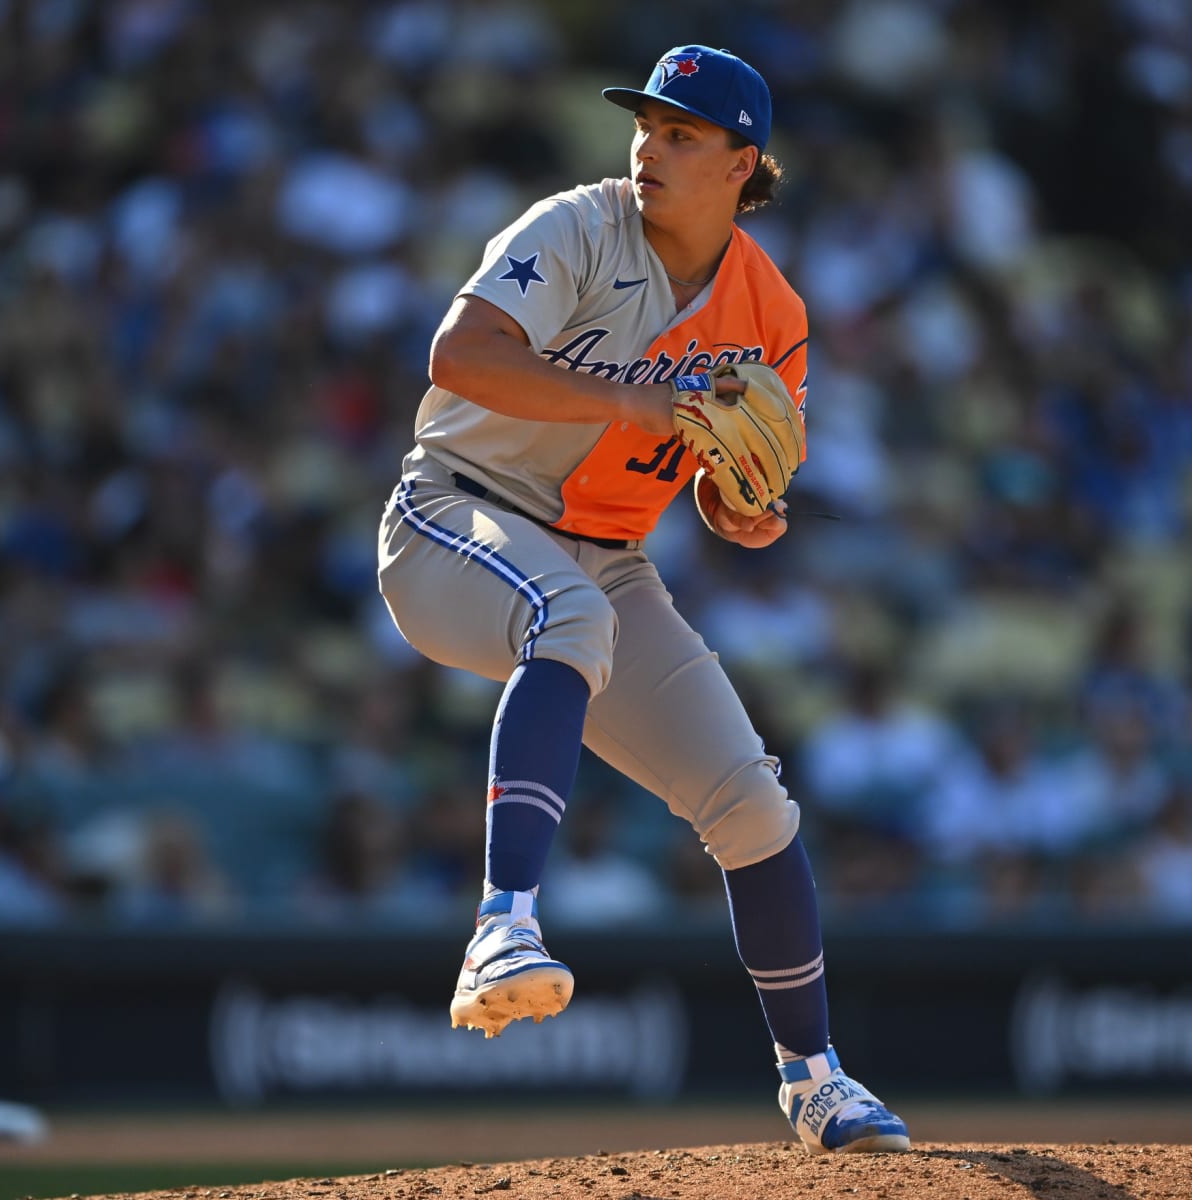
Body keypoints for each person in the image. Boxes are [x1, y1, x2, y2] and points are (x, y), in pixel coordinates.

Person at [377, 45, 909, 1154]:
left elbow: (724, 489)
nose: (649, 146)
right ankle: (501, 930)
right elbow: (459, 355)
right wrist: (639, 403)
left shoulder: (772, 312)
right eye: (647, 124)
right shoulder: (578, 225)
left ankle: (814, 1081)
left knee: (752, 804)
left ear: (742, 162)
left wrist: (744, 507)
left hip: (603, 554)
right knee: (570, 619)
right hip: (454, 512)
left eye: (681, 133)